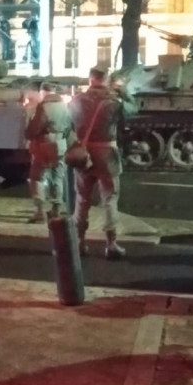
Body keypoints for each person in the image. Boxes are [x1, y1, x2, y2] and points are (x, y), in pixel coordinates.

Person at [70, 67, 125, 259]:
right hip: (107, 154)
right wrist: (123, 92)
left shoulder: (76, 101)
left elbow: (71, 125)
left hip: (84, 154)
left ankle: (79, 242)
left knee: (82, 198)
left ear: (90, 79)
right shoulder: (113, 102)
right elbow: (131, 114)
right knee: (109, 199)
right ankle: (111, 244)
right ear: (107, 80)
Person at [24, 81, 71, 222]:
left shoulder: (43, 107)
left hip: (44, 144)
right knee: (57, 177)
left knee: (37, 177)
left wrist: (28, 129)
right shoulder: (65, 106)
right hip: (61, 144)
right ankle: (56, 209)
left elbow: (35, 128)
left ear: (42, 91)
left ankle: (40, 211)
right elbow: (69, 126)